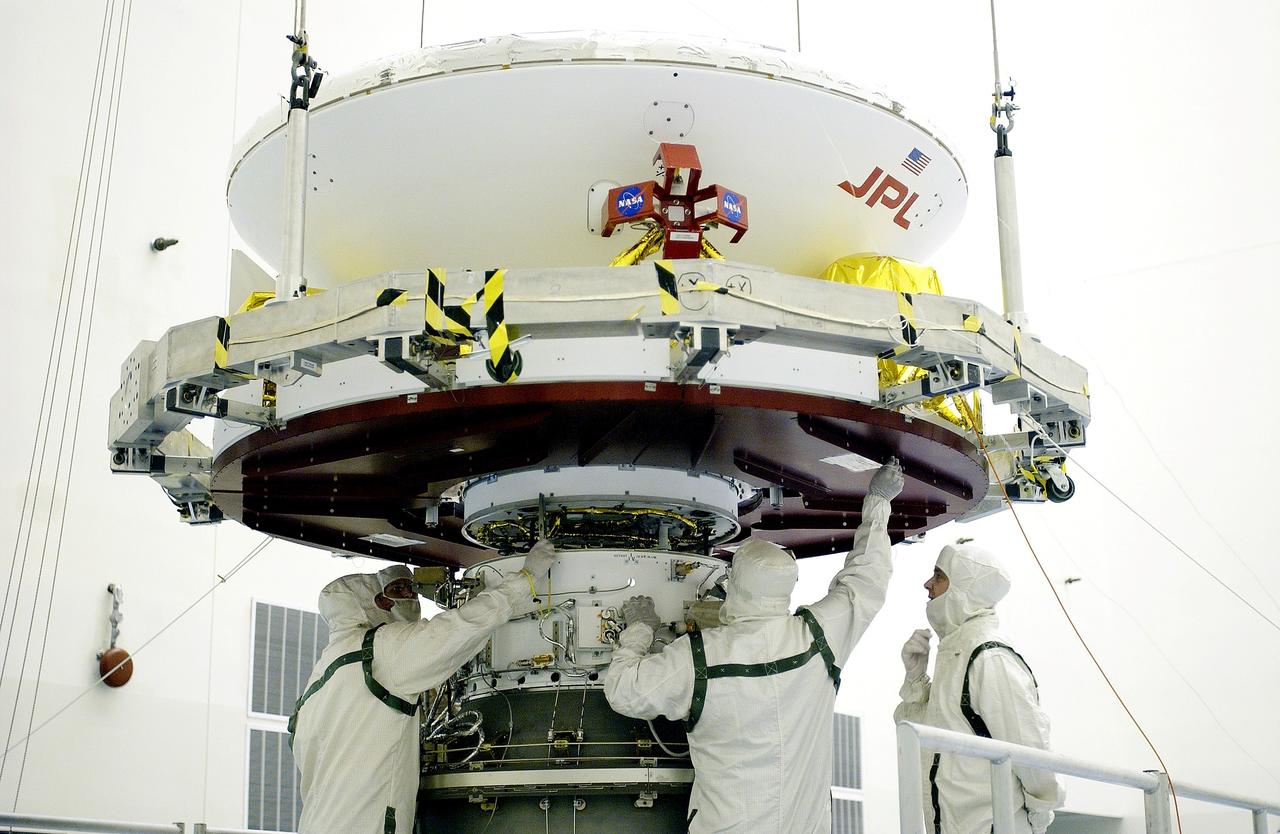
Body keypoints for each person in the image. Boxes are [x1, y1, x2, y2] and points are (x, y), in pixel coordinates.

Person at [603, 460, 905, 833]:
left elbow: (623, 691)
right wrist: (877, 502)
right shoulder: (817, 638)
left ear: (736, 583)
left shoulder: (699, 656)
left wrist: (639, 629)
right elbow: (868, 579)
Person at [291, 540, 556, 834]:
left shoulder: (315, 685)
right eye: (385, 599)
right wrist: (524, 581)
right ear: (366, 607)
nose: (398, 603)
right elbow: (460, 627)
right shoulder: (381, 651)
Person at [895, 542, 1064, 834]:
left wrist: (1038, 816)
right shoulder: (956, 655)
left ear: (964, 588)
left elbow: (1031, 748)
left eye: (938, 576)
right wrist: (916, 680)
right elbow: (921, 737)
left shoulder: (989, 657)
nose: (927, 584)